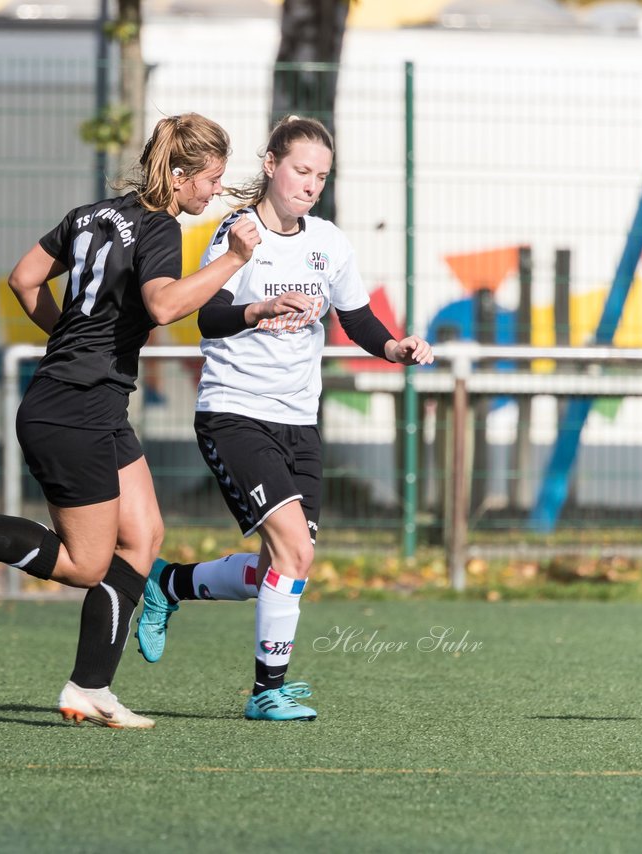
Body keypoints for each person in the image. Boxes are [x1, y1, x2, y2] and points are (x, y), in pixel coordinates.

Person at [0, 113, 261, 729]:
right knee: (88, 564)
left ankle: (91, 687)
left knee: (143, 539)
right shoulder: (159, 226)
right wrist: (234, 259)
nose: (215, 191)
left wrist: (70, 337)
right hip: (76, 409)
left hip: (88, 401)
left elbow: (23, 279)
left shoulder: (90, 215)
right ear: (179, 173)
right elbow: (164, 304)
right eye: (211, 179)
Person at [134, 116, 434, 722]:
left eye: (321, 176)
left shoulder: (328, 241)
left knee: (283, 564)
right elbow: (206, 319)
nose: (311, 184)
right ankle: (266, 690)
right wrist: (261, 307)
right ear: (271, 165)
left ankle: (168, 585)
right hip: (235, 412)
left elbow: (357, 318)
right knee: (294, 552)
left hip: (300, 422)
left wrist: (394, 348)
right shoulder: (236, 235)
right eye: (302, 170)